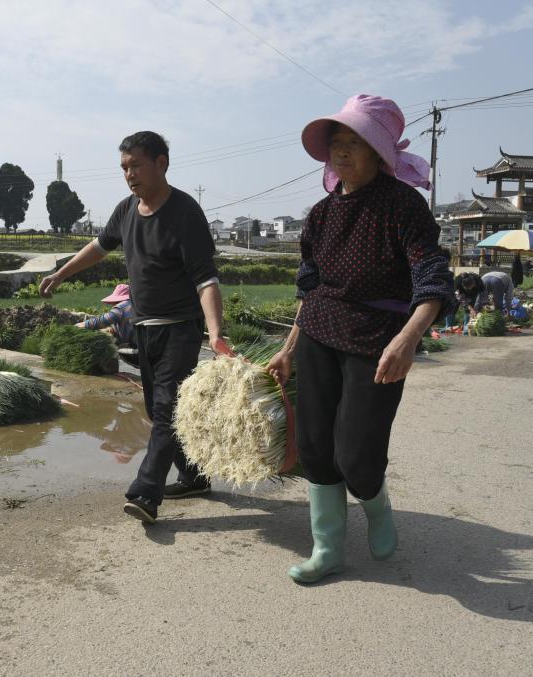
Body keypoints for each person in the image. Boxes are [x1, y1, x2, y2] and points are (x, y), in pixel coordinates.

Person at [267, 95, 454, 584]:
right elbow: (309, 289)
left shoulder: (402, 207)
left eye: (356, 142)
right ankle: (327, 548)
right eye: (337, 143)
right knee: (312, 447)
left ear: (379, 153)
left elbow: (432, 276)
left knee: (356, 454)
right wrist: (288, 349)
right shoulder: (321, 214)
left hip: (377, 341)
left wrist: (409, 338)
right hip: (320, 336)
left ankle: (375, 501)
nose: (342, 152)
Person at [39, 131, 232, 524]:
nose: (130, 175)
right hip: (144, 327)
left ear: (161, 163)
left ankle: (146, 493)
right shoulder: (126, 210)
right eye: (124, 168)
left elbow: (206, 280)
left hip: (180, 327)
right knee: (161, 407)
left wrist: (214, 332)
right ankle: (194, 475)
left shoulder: (184, 213)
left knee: (163, 410)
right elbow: (99, 246)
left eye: (136, 166)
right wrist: (61, 273)